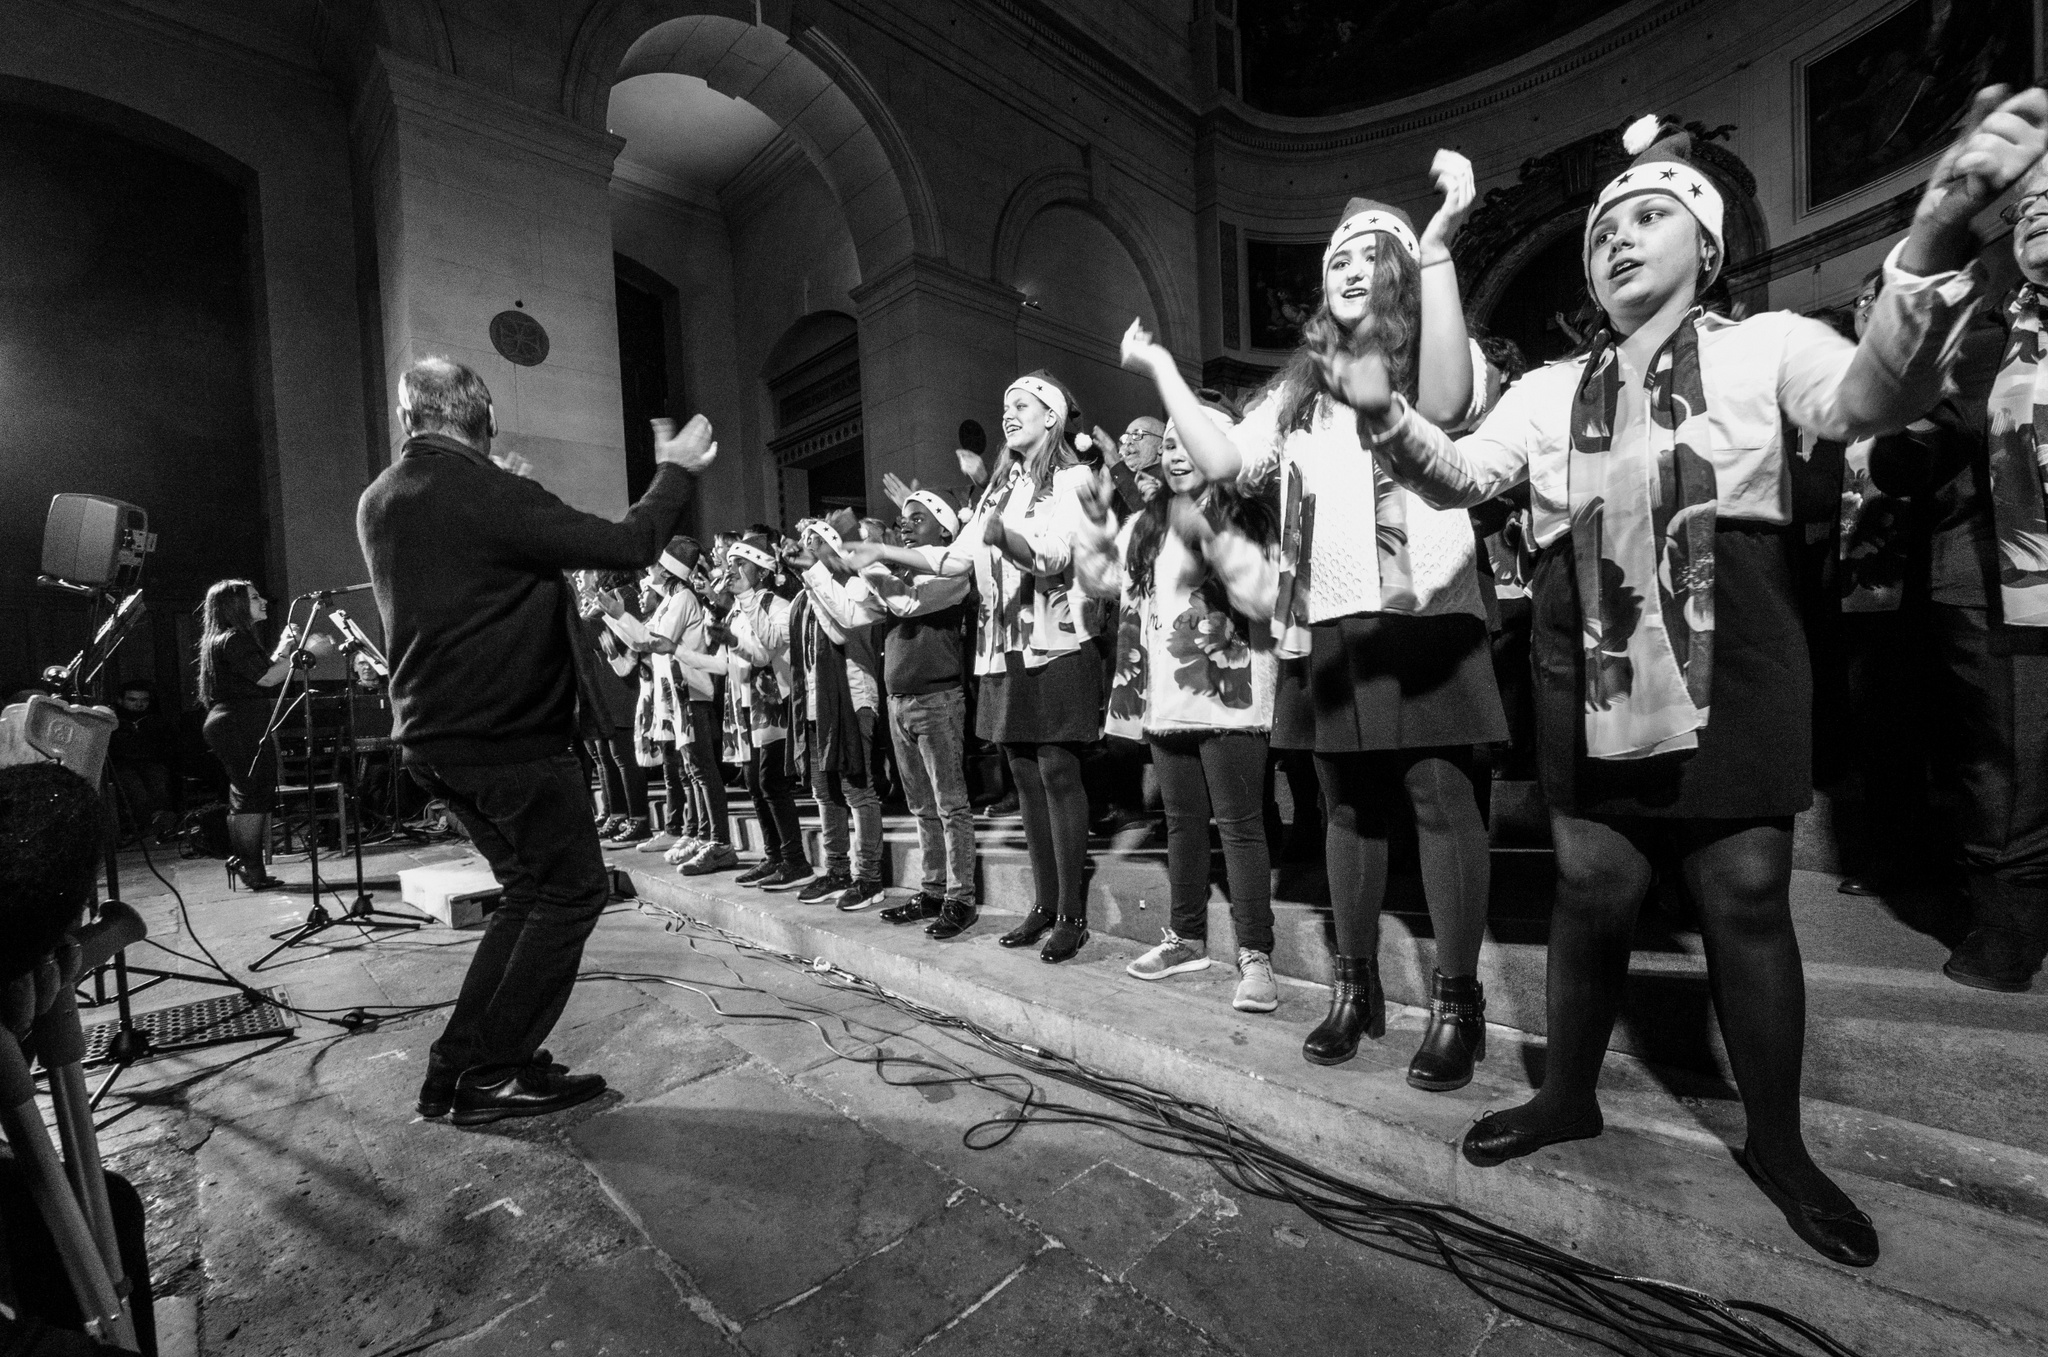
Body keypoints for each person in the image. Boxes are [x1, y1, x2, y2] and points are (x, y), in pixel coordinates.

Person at [1318, 94, 2046, 1266]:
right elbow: (1458, 474)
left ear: (1704, 246)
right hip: (1581, 653)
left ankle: (1777, 1142)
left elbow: (1873, 401)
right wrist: (1385, 417)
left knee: (1747, 894)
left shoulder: (1766, 347)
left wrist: (1924, 246)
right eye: (1604, 224)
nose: (1615, 236)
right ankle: (1567, 1095)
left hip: (1736, 643)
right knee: (1587, 886)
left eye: (1647, 215)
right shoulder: (1550, 388)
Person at [1122, 148, 1508, 1094]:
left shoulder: (1432, 350)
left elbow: (1452, 403)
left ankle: (1458, 1004)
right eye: (1333, 251)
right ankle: (1356, 987)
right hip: (1328, 622)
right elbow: (1220, 457)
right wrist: (1165, 369)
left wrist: (1438, 246)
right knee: (1344, 807)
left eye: (1365, 248)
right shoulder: (1295, 390)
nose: (1343, 260)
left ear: (1396, 269)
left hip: (1424, 615)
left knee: (1438, 803)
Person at [357, 354, 716, 1126]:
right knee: (571, 892)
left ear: (408, 417)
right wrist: (676, 471)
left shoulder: (381, 498)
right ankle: (491, 1072)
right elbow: (628, 544)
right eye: (490, 407)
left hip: (433, 740)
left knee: (529, 894)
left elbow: (475, 560)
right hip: (509, 738)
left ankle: (461, 1068)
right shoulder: (489, 491)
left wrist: (505, 489)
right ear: (478, 409)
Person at [848, 371, 1108, 962]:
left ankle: (1071, 912)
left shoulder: (1071, 479)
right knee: (1023, 777)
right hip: (1001, 652)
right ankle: (1041, 906)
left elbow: (1055, 554)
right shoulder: (997, 489)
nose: (1009, 413)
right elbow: (952, 559)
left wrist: (1006, 536)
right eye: (1006, 404)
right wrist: (885, 550)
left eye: (1022, 404)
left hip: (1057, 645)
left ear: (1052, 416)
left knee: (1058, 774)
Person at [1868, 156, 2048, 991]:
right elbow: (1910, 463)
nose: (2038, 212)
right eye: (2029, 203)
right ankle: (2009, 923)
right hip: (1996, 579)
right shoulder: (1978, 344)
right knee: (2008, 755)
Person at [1073, 401, 1286, 1013]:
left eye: (1183, 440)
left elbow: (1263, 596)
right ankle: (1186, 937)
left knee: (1241, 827)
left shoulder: (1248, 514)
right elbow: (1101, 583)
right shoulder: (1147, 522)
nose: (1171, 451)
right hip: (1167, 702)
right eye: (1165, 443)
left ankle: (1255, 955)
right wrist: (1092, 529)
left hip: (1232, 698)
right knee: (1183, 825)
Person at [834, 489, 981, 937]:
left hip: (937, 700)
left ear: (944, 530)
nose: (905, 526)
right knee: (920, 805)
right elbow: (853, 609)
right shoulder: (898, 572)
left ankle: (961, 898)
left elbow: (908, 602)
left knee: (950, 804)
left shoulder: (954, 575)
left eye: (918, 519)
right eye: (903, 519)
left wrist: (873, 555)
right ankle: (934, 889)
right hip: (899, 702)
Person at [786, 512, 888, 909]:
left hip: (852, 699)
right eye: (805, 539)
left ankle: (869, 877)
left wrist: (813, 574)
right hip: (815, 704)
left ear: (835, 548)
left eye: (815, 540)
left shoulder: (857, 585)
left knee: (856, 790)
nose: (806, 546)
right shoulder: (805, 592)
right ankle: (837, 870)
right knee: (824, 792)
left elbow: (843, 625)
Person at [197, 578, 318, 890]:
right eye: (253, 597)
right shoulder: (234, 638)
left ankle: (248, 865)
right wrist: (310, 652)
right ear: (234, 605)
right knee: (252, 797)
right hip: (239, 723)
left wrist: (285, 646)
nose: (263, 601)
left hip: (233, 722)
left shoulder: (228, 638)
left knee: (248, 795)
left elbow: (261, 671)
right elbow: (266, 678)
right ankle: (249, 866)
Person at [721, 532, 813, 891]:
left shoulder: (777, 605)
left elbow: (766, 649)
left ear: (761, 571)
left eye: (741, 564)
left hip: (774, 707)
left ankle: (795, 861)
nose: (733, 570)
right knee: (755, 785)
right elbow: (732, 661)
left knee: (771, 783)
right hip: (745, 705)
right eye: (731, 564)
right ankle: (774, 856)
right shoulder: (739, 608)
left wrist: (743, 601)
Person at [108, 678, 180, 843]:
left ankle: (162, 824)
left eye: (144, 700)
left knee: (159, 784)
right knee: (134, 788)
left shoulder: (156, 720)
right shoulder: (113, 721)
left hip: (152, 762)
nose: (139, 704)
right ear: (121, 700)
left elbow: (169, 746)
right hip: (123, 764)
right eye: (132, 700)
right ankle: (146, 827)